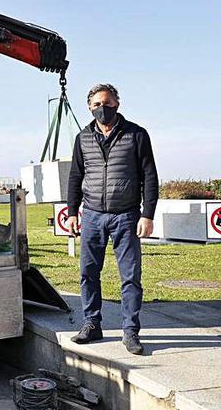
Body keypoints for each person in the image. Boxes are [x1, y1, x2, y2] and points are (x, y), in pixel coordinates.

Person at [66, 84, 158, 355]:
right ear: (89, 108)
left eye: (106, 103)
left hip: (126, 215)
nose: (101, 108)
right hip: (92, 215)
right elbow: (75, 176)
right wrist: (72, 212)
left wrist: (147, 214)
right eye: (96, 104)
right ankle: (92, 324)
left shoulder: (136, 135)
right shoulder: (83, 137)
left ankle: (130, 331)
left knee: (130, 276)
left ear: (117, 103)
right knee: (88, 273)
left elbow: (149, 176)